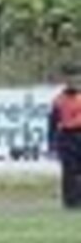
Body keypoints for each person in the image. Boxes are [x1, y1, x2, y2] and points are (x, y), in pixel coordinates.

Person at [48, 62, 81, 209]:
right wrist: (52, 144)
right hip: (67, 137)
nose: (73, 81)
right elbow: (53, 123)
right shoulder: (59, 100)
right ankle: (71, 203)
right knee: (69, 171)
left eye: (76, 77)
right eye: (70, 78)